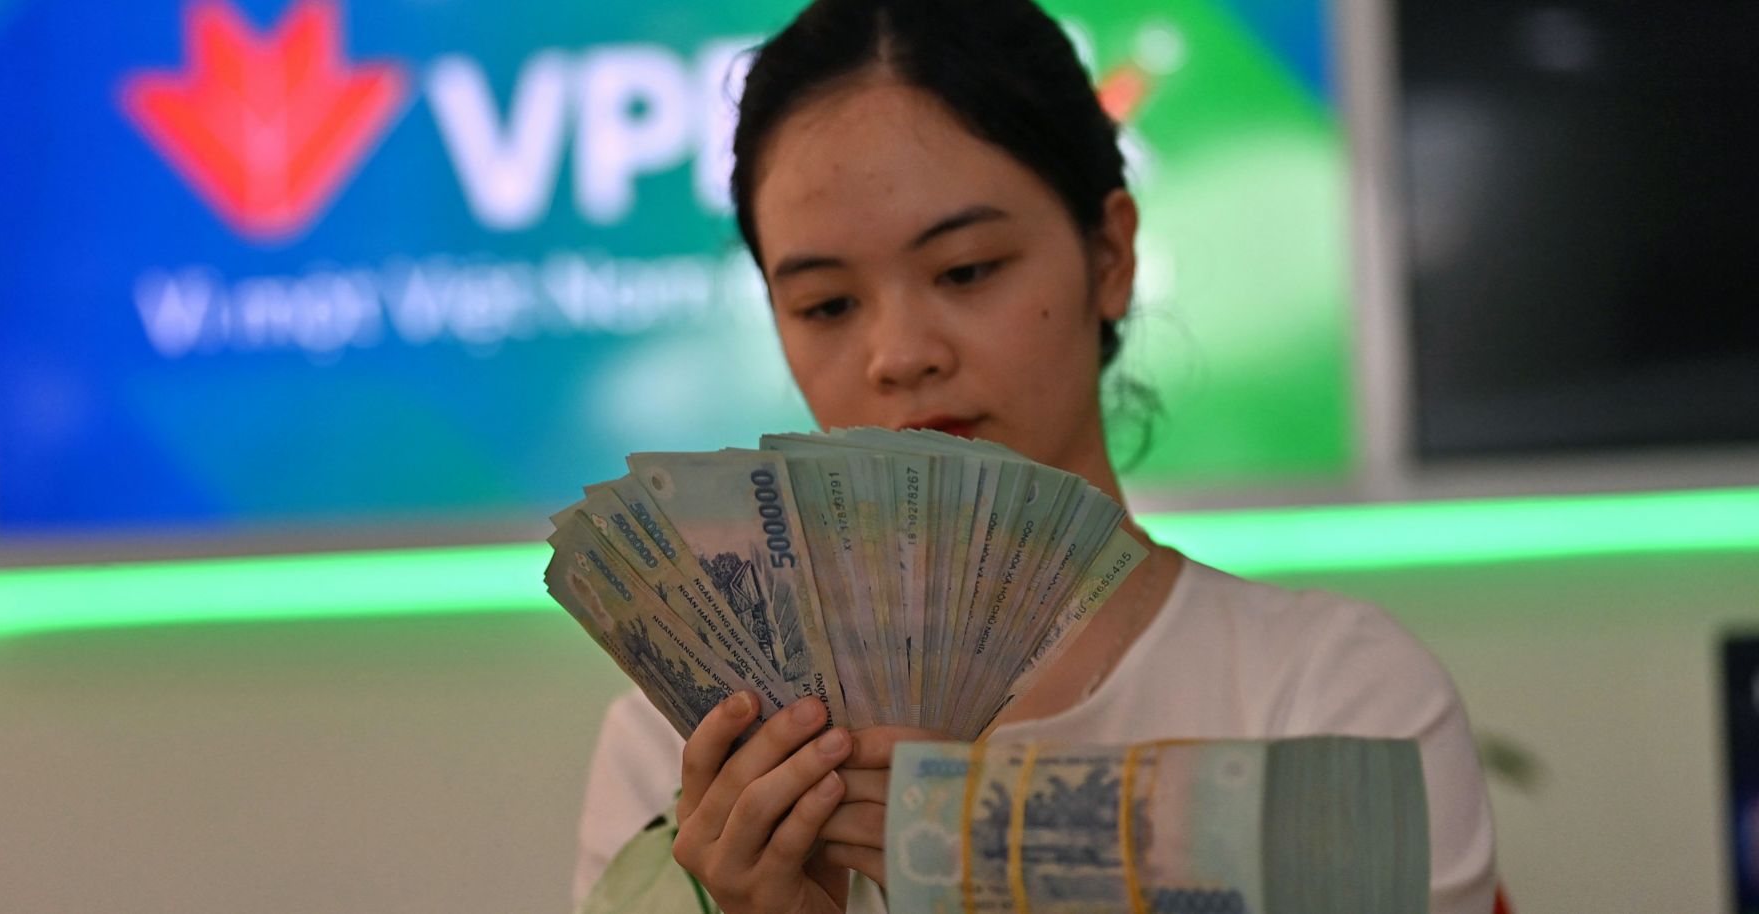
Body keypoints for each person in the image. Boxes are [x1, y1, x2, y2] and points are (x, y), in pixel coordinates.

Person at [573, 0, 1498, 911]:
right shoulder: (693, 755)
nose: (900, 354)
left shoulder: (1329, 696)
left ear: (1111, 255)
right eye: (825, 305)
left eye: (967, 270)